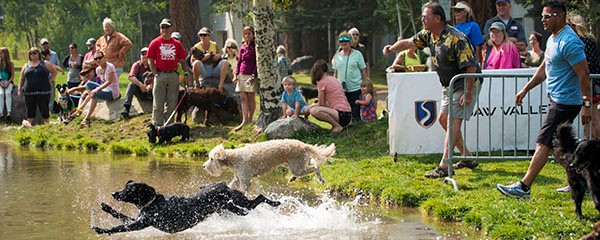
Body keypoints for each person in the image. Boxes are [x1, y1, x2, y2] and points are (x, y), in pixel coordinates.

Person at [496, 1, 591, 199]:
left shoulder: (569, 42)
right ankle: (581, 182)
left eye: (548, 16)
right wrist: (524, 89)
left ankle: (523, 187)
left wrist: (587, 106)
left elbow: (584, 75)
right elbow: (543, 71)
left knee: (543, 143)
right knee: (559, 148)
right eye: (542, 16)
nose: (543, 20)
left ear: (561, 17)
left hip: (566, 102)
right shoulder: (553, 39)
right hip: (557, 99)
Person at [382, 1, 482, 178]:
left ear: (438, 18)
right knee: (444, 119)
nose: (422, 20)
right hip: (449, 84)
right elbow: (408, 42)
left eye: (425, 17)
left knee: (453, 122)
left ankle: (444, 165)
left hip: (466, 82)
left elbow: (470, 67)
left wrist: (468, 94)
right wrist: (391, 49)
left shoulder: (456, 38)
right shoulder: (428, 34)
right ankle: (466, 157)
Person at [147, 18, 191, 127]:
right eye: (163, 27)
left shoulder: (176, 44)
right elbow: (150, 59)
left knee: (172, 103)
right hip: (160, 74)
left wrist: (185, 75)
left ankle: (168, 127)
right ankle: (157, 126)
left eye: (167, 27)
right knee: (158, 103)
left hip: (173, 74)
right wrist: (155, 72)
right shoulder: (155, 43)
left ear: (171, 29)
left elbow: (182, 61)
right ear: (160, 29)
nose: (165, 29)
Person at [567, 13, 600, 138]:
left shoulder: (586, 41)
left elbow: (590, 63)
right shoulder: (578, 41)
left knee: (594, 121)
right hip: (585, 83)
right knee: (588, 121)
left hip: (591, 84)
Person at [76, 51, 121, 127]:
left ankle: (87, 118)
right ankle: (82, 108)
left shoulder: (110, 66)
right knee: (88, 84)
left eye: (99, 58)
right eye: (96, 59)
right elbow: (100, 83)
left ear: (104, 58)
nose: (98, 60)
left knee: (94, 94)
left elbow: (109, 82)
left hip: (113, 92)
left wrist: (97, 89)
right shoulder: (98, 69)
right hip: (105, 90)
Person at [332, 32, 368, 123]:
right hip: (341, 89)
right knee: (342, 112)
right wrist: (334, 86)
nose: (343, 43)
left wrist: (366, 85)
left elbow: (363, 70)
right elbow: (335, 73)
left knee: (355, 113)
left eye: (346, 41)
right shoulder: (337, 56)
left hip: (355, 87)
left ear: (350, 42)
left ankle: (358, 131)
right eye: (341, 41)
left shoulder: (358, 54)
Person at [309, 59, 352, 132]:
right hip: (348, 115)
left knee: (313, 110)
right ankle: (339, 125)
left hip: (341, 114)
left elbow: (322, 104)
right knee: (315, 107)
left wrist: (313, 105)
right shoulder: (334, 79)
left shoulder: (322, 82)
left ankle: (337, 126)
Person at [17, 47, 57, 125]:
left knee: (44, 109)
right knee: (30, 109)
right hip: (29, 92)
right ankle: (29, 125)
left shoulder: (45, 63)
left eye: (35, 53)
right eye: (31, 53)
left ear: (39, 54)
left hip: (43, 91)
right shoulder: (26, 65)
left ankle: (47, 124)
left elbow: (54, 71)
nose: (33, 55)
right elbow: (21, 78)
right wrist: (19, 90)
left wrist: (50, 80)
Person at [233, 26, 257, 132]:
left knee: (251, 96)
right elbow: (239, 61)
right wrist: (236, 74)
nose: (247, 35)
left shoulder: (255, 47)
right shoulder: (243, 46)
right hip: (242, 73)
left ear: (253, 34)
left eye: (249, 33)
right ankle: (244, 120)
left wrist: (253, 75)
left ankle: (250, 118)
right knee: (243, 97)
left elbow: (257, 62)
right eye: (245, 34)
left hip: (251, 74)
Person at [193, 27, 230, 92]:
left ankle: (220, 85)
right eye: (201, 35)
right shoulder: (196, 47)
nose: (203, 37)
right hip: (204, 70)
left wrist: (217, 56)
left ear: (209, 36)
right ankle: (197, 83)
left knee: (225, 62)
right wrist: (204, 58)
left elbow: (219, 55)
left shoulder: (214, 44)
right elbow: (192, 62)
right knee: (196, 63)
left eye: (205, 35)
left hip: (214, 68)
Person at [122, 47, 153, 119]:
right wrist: (141, 85)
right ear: (140, 55)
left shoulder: (154, 64)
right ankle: (126, 109)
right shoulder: (137, 65)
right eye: (143, 54)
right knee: (131, 85)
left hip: (152, 91)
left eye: (146, 54)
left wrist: (151, 85)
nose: (144, 56)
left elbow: (158, 75)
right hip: (141, 91)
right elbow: (131, 77)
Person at [0, 47, 14, 122]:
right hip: (1, 82)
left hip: (8, 82)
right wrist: (1, 82)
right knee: (1, 94)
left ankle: (9, 112)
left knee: (8, 93)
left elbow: (12, 75)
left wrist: (8, 82)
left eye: (1, 53)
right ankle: (1, 113)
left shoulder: (10, 63)